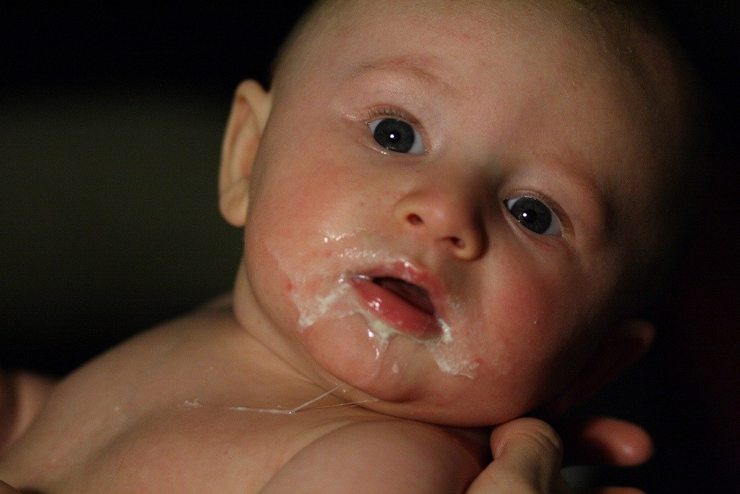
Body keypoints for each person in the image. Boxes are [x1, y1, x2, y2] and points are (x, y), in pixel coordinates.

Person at [0, 0, 699, 492]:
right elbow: (67, 437)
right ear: (248, 158)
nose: (444, 210)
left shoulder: (385, 464)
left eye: (533, 213)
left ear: (594, 364)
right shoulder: (227, 331)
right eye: (395, 134)